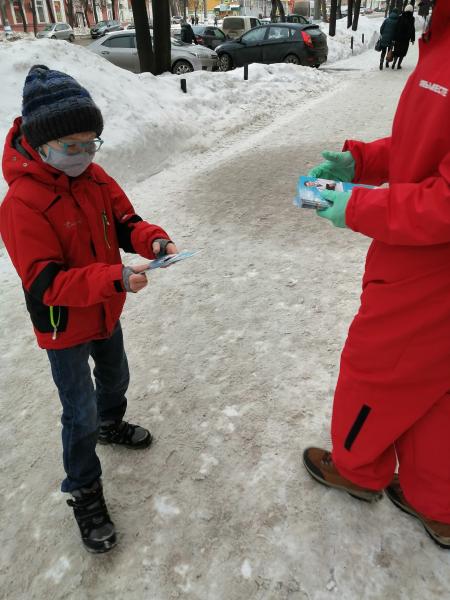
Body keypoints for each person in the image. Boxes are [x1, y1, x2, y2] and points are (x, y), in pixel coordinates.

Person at [0, 65, 178, 553]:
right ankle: (84, 490)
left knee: (116, 376)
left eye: (90, 143)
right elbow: (45, 282)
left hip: (104, 309)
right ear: (41, 144)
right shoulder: (21, 204)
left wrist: (153, 239)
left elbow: (126, 221)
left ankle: (111, 421)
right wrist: (114, 277)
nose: (82, 155)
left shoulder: (96, 177)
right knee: (76, 411)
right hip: (63, 324)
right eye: (71, 146)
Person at [303, 0, 450, 550]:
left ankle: (359, 471)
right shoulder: (440, 32)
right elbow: (429, 147)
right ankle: (439, 502)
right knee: (437, 393)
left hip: (430, 272)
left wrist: (356, 204)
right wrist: (362, 162)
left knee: (375, 371)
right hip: (426, 266)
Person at [392, 4, 415, 69]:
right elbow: (412, 29)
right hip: (406, 39)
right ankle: (398, 65)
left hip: (398, 38)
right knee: (403, 52)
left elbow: (396, 28)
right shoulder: (412, 19)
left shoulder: (400, 17)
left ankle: (394, 63)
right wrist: (412, 39)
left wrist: (394, 38)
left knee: (397, 51)